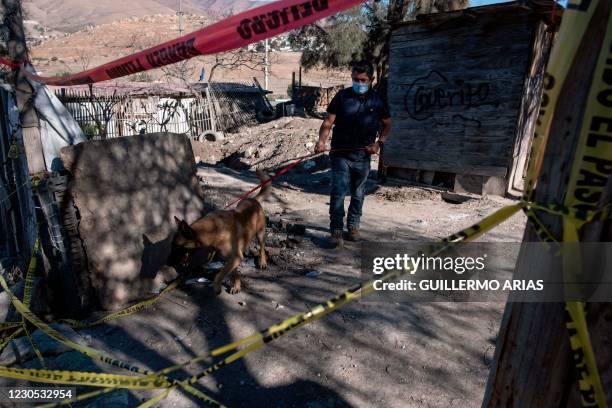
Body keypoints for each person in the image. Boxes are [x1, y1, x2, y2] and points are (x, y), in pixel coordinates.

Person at [315, 60, 392, 248]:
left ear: (371, 80)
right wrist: (321, 141)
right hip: (340, 154)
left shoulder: (377, 100)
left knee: (358, 193)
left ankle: (353, 226)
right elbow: (328, 122)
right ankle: (336, 230)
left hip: (363, 156)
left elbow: (388, 124)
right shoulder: (342, 97)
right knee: (338, 191)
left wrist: (378, 143)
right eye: (355, 79)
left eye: (363, 80)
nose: (359, 83)